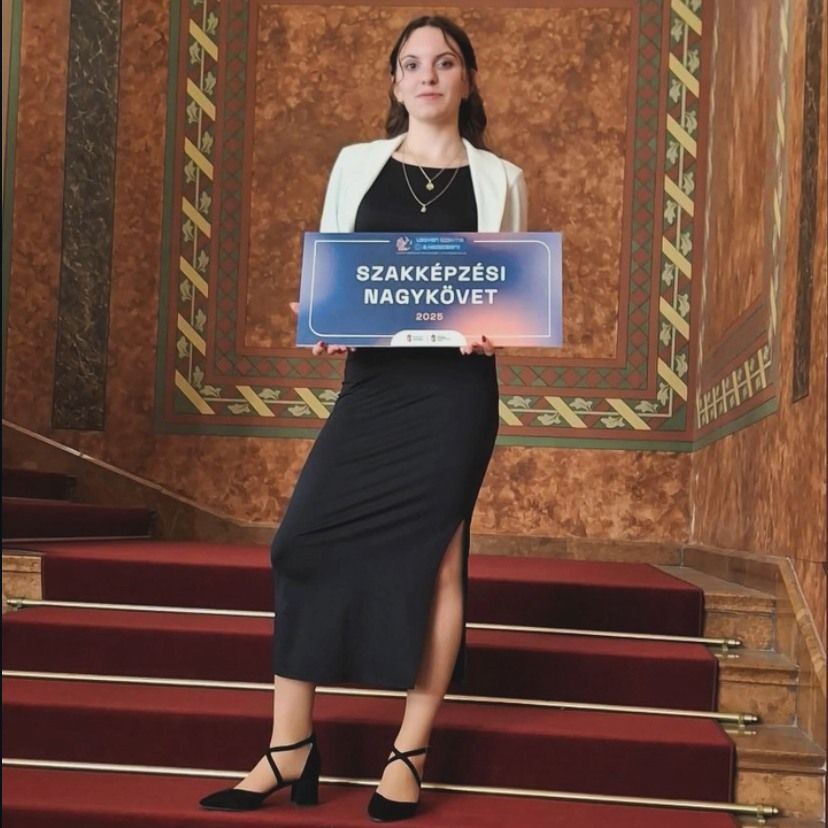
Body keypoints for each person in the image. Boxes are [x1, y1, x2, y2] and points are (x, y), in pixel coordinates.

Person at [200, 14, 527, 822]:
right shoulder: (355, 164)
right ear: (395, 82)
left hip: (455, 394)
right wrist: (324, 318)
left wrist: (498, 324)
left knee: (441, 567)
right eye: (412, 64)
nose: (428, 75)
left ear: (467, 79)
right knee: (299, 542)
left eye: (444, 62)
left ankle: (409, 754)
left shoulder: (501, 179)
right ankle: (288, 747)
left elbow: (509, 293)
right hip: (374, 385)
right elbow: (338, 274)